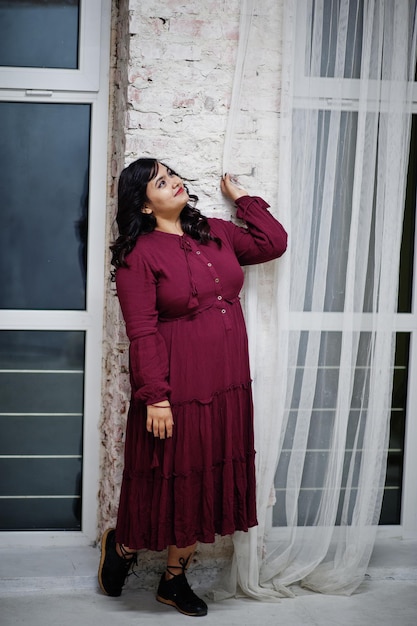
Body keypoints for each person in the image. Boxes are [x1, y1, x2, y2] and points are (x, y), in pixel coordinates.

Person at [98, 157, 287, 617]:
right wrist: (155, 397)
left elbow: (273, 242)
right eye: (161, 181)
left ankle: (173, 580)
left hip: (226, 378)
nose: (175, 182)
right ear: (143, 205)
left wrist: (243, 199)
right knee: (171, 474)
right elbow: (141, 330)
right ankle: (122, 547)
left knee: (206, 471)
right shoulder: (137, 254)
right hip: (176, 380)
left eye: (173, 174)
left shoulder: (216, 232)